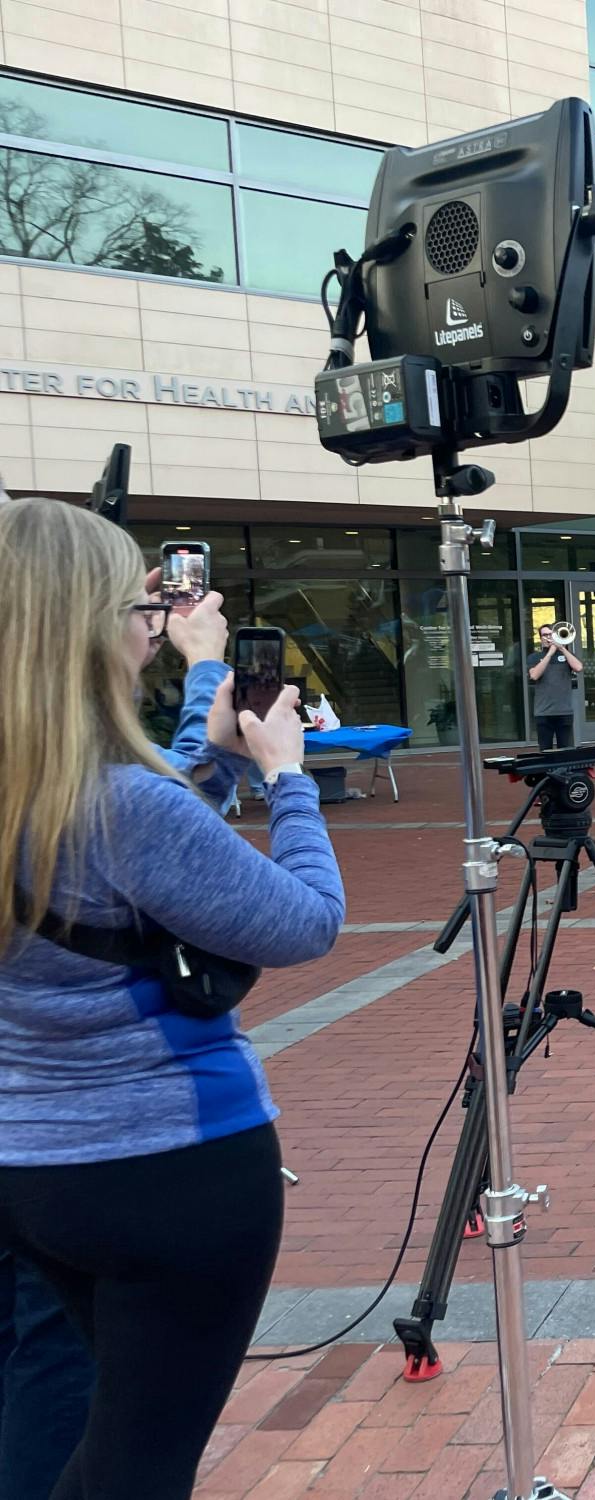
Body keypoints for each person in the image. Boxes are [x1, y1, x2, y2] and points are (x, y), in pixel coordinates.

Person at [0, 496, 345, 1500]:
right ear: (90, 628)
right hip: (169, 1161)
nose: (147, 628)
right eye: (136, 609)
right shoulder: (123, 806)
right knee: (137, 1463)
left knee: (61, 1411)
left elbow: (153, 843)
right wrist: (286, 778)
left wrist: (212, 739)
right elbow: (305, 923)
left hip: (30, 1160)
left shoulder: (58, 796)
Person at [2, 558, 243, 1500]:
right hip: (111, 1142)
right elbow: (301, 919)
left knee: (38, 1365)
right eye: (131, 611)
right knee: (95, 1414)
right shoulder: (104, 799)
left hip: (28, 1129)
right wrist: (218, 687)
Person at [528, 622, 582, 749]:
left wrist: (562, 648)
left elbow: (578, 667)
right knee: (545, 750)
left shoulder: (566, 655)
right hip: (543, 712)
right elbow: (534, 675)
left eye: (550, 634)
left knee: (565, 751)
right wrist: (549, 654)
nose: (548, 637)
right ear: (540, 638)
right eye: (545, 635)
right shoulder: (534, 657)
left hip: (564, 711)